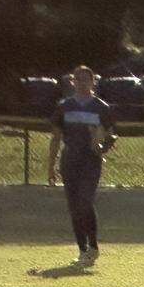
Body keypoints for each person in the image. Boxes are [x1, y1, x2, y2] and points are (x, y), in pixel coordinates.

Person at [47, 65, 116, 266]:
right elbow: (55, 138)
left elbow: (111, 135)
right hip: (70, 160)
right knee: (74, 206)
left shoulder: (101, 107)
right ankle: (82, 249)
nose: (83, 83)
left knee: (85, 201)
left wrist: (101, 145)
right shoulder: (64, 106)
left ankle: (92, 246)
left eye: (87, 79)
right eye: (79, 79)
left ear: (93, 82)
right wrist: (50, 167)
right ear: (72, 82)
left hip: (90, 160)